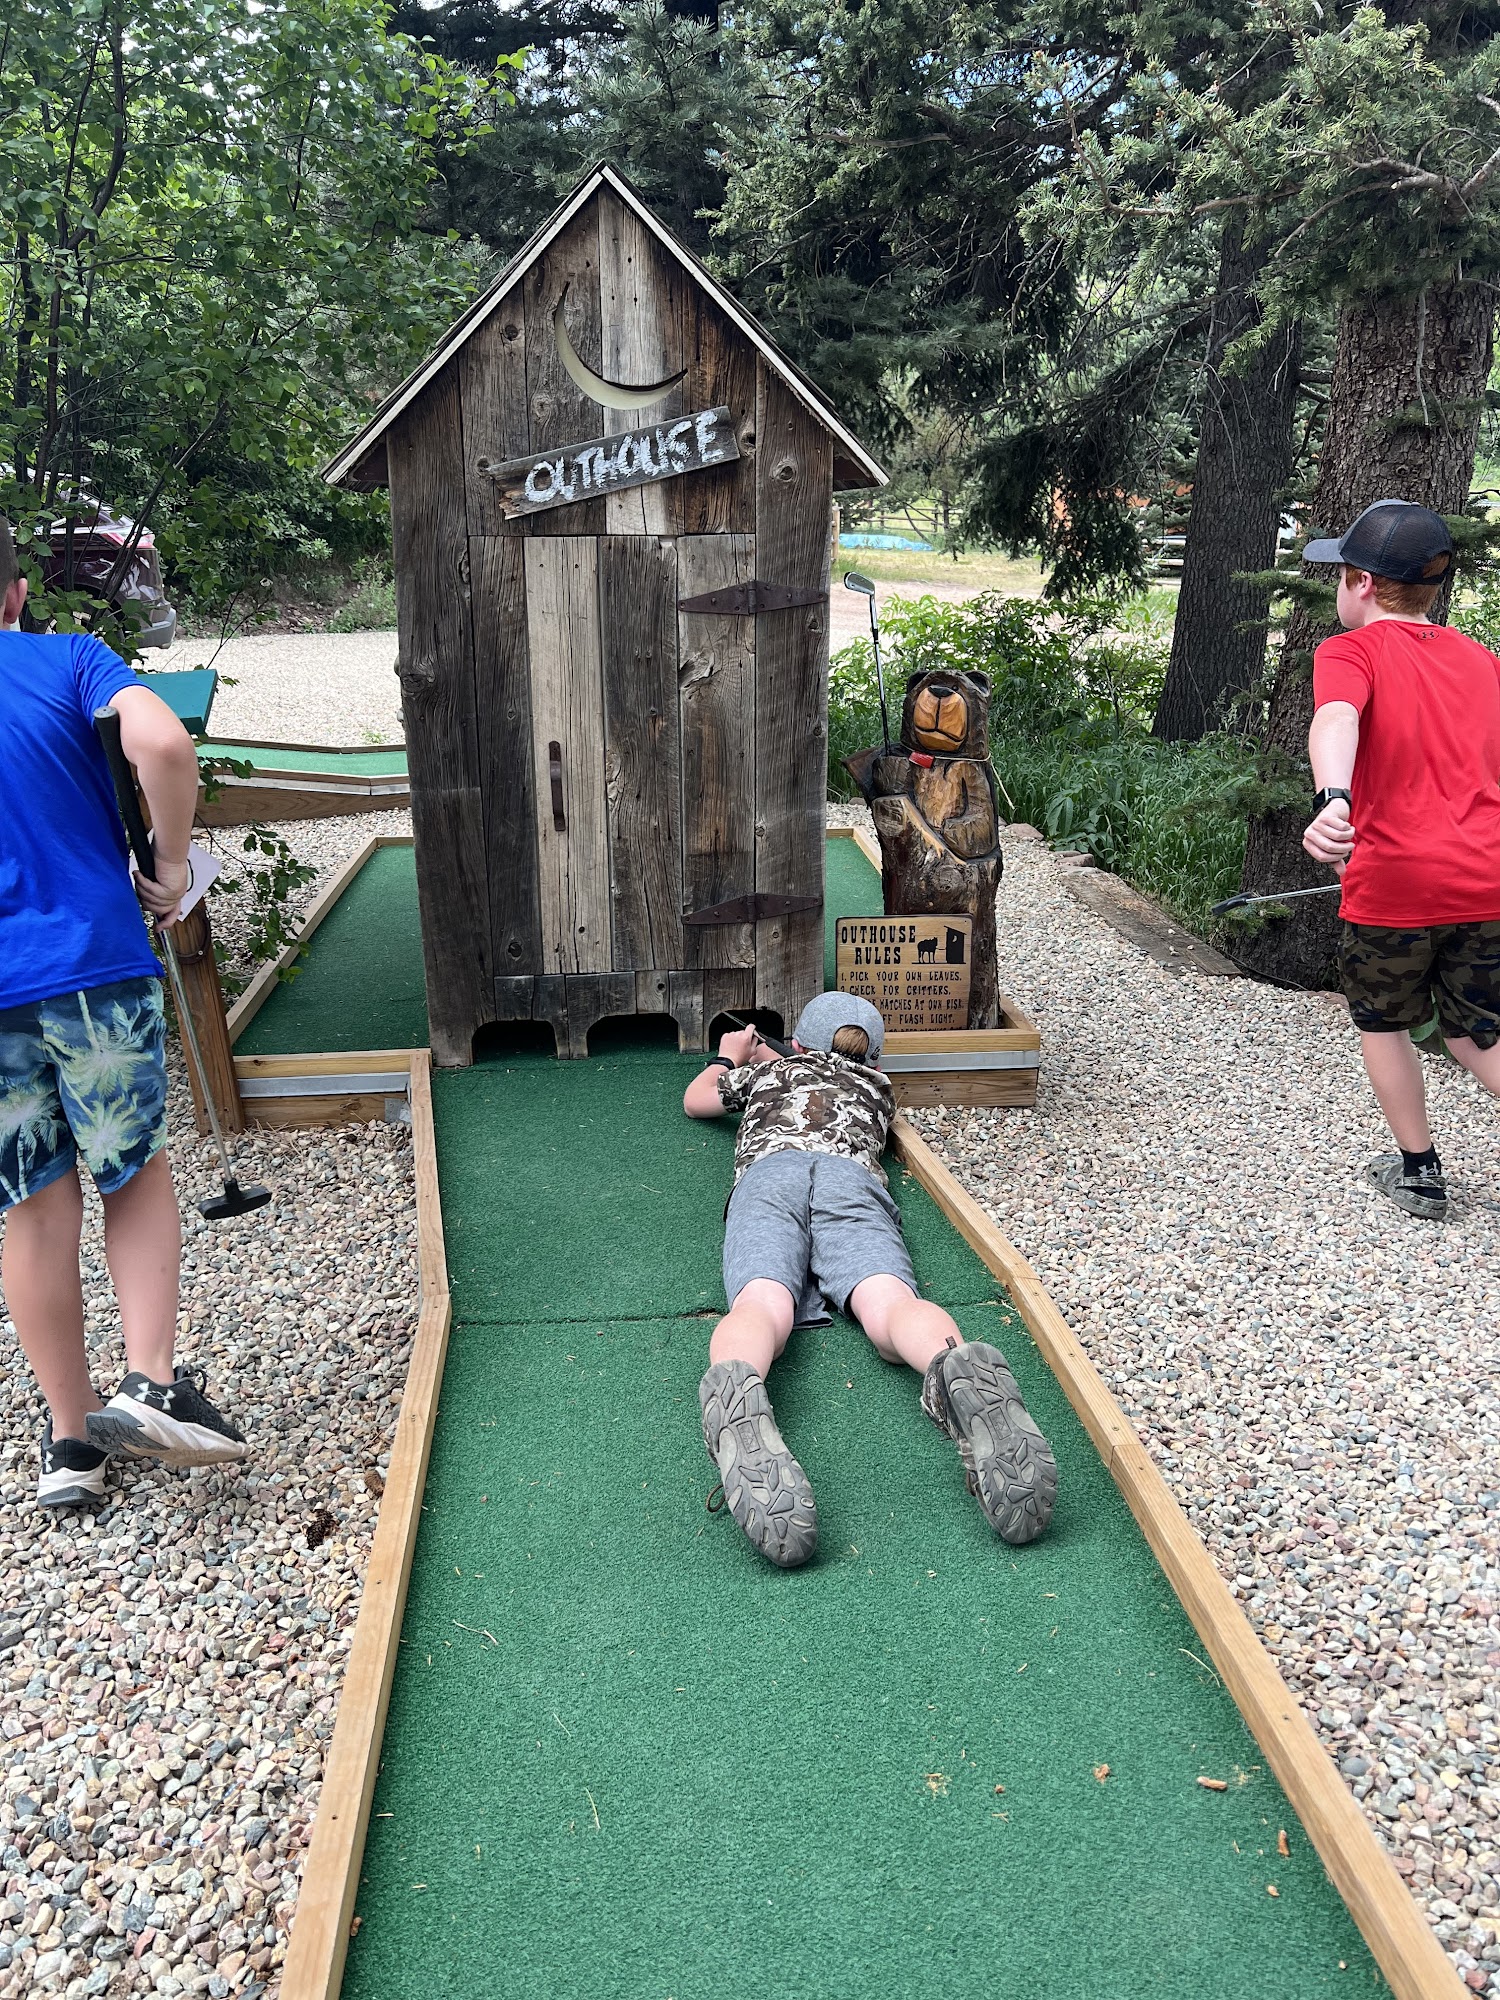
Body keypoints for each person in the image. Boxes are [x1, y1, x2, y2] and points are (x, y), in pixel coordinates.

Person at [0, 518, 249, 1508]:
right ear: (16, 592)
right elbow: (162, 742)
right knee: (131, 1170)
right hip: (91, 965)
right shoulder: (68, 659)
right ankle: (147, 1381)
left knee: (32, 1203)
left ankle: (72, 1444)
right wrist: (173, 863)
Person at [683, 990, 1056, 1568]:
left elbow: (697, 1101)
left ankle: (740, 1387)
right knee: (889, 1302)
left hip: (769, 1179)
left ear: (795, 1044)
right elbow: (831, 1074)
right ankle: (952, 1362)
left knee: (762, 1303)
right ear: (875, 1059)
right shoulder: (878, 1090)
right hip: (849, 1181)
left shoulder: (767, 1076)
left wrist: (732, 1056)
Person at [1301, 498, 1500, 1219]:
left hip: (1395, 887)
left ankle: (1419, 1171)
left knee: (1383, 1023)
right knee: (1477, 1036)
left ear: (1360, 582)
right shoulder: (1482, 660)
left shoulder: (1348, 650)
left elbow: (1337, 716)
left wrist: (1333, 799)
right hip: (1487, 881)